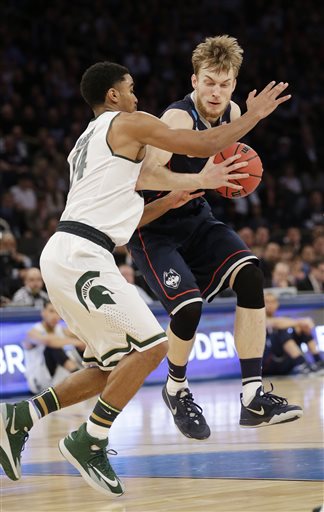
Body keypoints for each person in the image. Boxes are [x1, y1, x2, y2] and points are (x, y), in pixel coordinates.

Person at [0, 60, 299, 498]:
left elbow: (128, 214)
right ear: (114, 95)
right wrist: (252, 117)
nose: (139, 97)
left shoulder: (85, 144)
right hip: (83, 254)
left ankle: (21, 417)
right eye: (132, 87)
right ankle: (90, 438)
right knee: (154, 346)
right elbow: (201, 143)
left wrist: (173, 197)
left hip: (69, 252)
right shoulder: (127, 122)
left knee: (110, 369)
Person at [128, 35, 302, 440]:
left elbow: (224, 160)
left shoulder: (234, 112)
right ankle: (176, 388)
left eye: (224, 84)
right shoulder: (176, 119)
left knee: (250, 274)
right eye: (209, 82)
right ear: (194, 80)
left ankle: (253, 396)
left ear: (234, 86)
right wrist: (198, 179)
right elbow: (145, 176)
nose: (216, 91)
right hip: (152, 225)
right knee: (187, 307)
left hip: (194, 215)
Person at [23, 301, 85, 393]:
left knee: (81, 347)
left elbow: (84, 339)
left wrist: (81, 343)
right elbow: (49, 341)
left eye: (57, 312)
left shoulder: (62, 330)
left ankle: (87, 375)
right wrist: (77, 342)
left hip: (55, 382)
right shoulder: (32, 332)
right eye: (51, 311)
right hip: (38, 382)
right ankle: (79, 378)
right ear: (43, 312)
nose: (55, 316)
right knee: (52, 347)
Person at [262, 292, 323, 376]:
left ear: (277, 304)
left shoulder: (282, 319)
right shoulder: (260, 319)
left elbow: (283, 323)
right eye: (267, 302)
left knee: (302, 329)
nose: (270, 304)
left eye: (273, 302)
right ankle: (302, 364)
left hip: (285, 362)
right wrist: (302, 321)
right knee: (282, 331)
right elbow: (275, 323)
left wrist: (302, 325)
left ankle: (318, 362)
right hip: (268, 364)